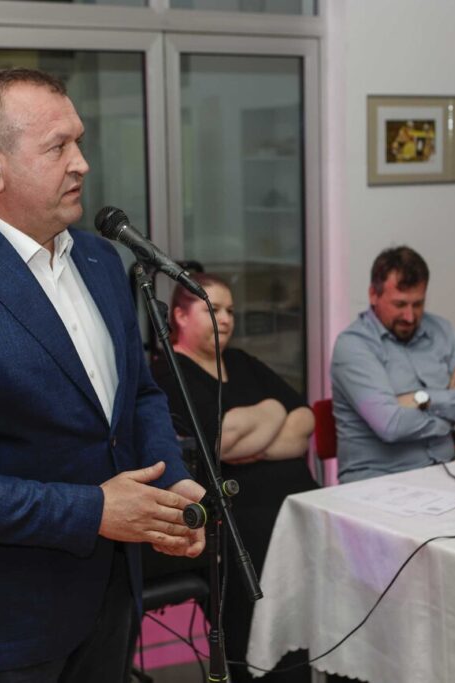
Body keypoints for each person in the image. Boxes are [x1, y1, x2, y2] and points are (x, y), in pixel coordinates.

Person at [0, 68, 205, 682]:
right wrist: (93, 511)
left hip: (110, 593)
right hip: (6, 619)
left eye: (79, 141)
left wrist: (173, 485)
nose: (81, 163)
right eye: (58, 147)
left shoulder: (101, 260)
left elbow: (138, 395)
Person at [150, 272, 317, 683]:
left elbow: (304, 421)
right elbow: (220, 443)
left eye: (230, 310)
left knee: (307, 612)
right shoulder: (169, 372)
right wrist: (273, 411)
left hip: (295, 509)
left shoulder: (242, 362)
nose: (225, 318)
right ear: (180, 316)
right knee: (261, 630)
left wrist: (256, 431)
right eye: (213, 309)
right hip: (239, 522)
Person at [330, 246, 455, 483]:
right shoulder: (353, 346)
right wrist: (453, 413)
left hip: (445, 473)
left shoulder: (441, 331)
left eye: (418, 304)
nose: (410, 317)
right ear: (373, 295)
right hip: (378, 480)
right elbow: (391, 426)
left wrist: (424, 399)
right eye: (400, 304)